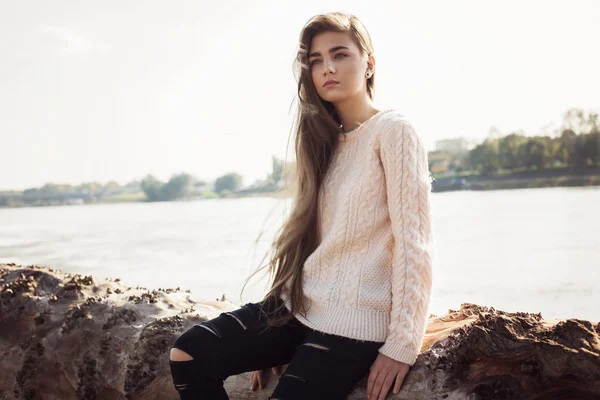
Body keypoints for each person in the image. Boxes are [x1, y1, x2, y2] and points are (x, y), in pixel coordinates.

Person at [168, 11, 434, 400]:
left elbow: (415, 243)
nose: (327, 67)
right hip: (297, 308)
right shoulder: (323, 140)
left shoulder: (393, 131)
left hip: (354, 323)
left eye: (340, 54)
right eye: (316, 60)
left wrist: (402, 346)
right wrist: (266, 342)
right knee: (189, 353)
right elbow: (309, 238)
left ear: (369, 63)